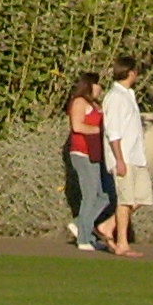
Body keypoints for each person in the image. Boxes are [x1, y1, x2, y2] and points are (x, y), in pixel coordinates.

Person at [102, 59, 150, 258]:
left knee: (142, 197)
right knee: (125, 199)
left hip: (136, 156)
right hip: (124, 157)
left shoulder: (128, 95)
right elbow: (113, 132)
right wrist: (119, 159)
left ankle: (108, 225)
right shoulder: (115, 97)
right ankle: (122, 243)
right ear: (130, 72)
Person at [65, 72, 112, 251]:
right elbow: (77, 126)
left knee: (103, 196)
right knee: (90, 195)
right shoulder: (79, 102)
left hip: (95, 154)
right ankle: (84, 238)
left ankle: (80, 224)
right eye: (98, 85)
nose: (100, 89)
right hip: (82, 153)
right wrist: (99, 131)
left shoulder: (96, 105)